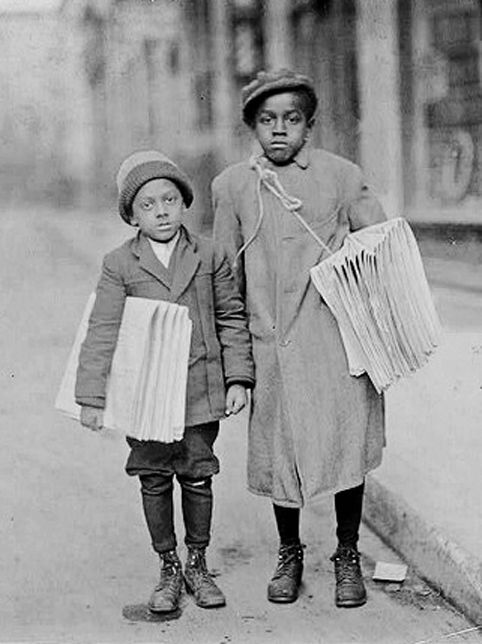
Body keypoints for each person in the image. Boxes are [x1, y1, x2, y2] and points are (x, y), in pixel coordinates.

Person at [212, 69, 386, 608]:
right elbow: (225, 277)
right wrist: (236, 362)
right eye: (267, 121)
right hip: (272, 349)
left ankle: (348, 552)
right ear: (252, 128)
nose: (279, 131)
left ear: (309, 127)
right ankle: (290, 553)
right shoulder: (233, 186)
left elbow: (380, 248)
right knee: (280, 453)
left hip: (337, 344)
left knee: (344, 449)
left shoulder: (341, 175)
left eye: (292, 120)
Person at [75, 150, 254, 613]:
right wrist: (91, 398)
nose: (161, 212)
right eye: (148, 204)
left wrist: (238, 379)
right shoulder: (120, 264)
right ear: (131, 214)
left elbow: (231, 316)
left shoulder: (209, 253)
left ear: (184, 203)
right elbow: (102, 330)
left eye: (169, 200)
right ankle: (169, 566)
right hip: (146, 395)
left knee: (197, 475)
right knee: (154, 477)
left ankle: (197, 561)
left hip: (198, 389)